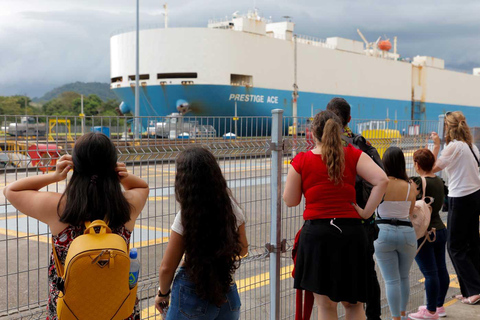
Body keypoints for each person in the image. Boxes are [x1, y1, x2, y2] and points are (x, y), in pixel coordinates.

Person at [3, 132, 149, 320]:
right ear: (113, 165)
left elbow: (11, 190)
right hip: (118, 308)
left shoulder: (59, 208)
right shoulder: (127, 206)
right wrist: (121, 175)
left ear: (75, 165)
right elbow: (143, 187)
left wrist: (55, 176)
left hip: (70, 311)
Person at [283, 110, 388, 320]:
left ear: (313, 132)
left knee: (326, 307)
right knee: (354, 305)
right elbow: (382, 180)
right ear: (340, 131)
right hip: (351, 234)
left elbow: (291, 200)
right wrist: (366, 212)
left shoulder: (301, 161)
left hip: (318, 236)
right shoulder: (353, 155)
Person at [154, 147, 249, 320]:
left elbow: (167, 268)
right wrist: (218, 256)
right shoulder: (232, 209)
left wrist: (162, 293)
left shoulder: (186, 216)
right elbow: (242, 249)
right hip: (227, 291)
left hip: (191, 293)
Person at [327, 97, 384, 320]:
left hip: (328, 221)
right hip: (361, 221)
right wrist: (366, 211)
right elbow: (381, 180)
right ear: (349, 118)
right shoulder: (361, 144)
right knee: (366, 275)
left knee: (329, 283)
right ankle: (373, 317)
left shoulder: (321, 148)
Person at [430, 111, 480, 305]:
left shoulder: (453, 147)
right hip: (475, 196)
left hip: (461, 198)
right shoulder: (472, 146)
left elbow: (432, 168)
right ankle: (471, 290)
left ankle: (474, 289)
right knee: (472, 244)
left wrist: (435, 146)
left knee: (455, 247)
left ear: (447, 128)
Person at [374, 147, 417, 320]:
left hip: (382, 232)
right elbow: (411, 211)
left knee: (391, 280)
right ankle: (403, 314)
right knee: (404, 276)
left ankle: (395, 318)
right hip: (407, 232)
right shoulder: (410, 187)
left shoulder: (380, 183)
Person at [408, 149, 448, 320]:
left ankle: (430, 311)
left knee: (430, 272)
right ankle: (438, 306)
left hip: (425, 232)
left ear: (417, 164)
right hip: (440, 229)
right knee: (441, 270)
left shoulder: (419, 181)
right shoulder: (439, 181)